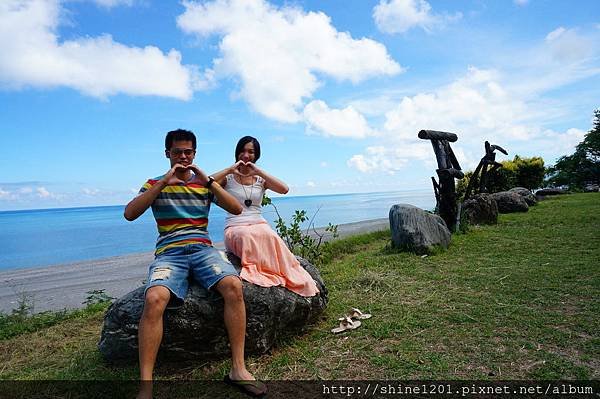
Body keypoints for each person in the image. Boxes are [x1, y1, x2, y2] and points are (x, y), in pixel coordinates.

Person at [124, 129, 267, 399]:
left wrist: (209, 181)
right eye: (177, 152)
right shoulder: (154, 182)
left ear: (195, 154)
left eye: (188, 152)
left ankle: (238, 368)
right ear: (167, 153)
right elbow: (130, 213)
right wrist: (164, 181)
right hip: (170, 253)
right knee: (154, 297)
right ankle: (146, 386)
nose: (183, 157)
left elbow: (236, 208)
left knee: (233, 286)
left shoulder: (204, 184)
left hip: (203, 250)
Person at [212, 136, 319, 297]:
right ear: (237, 153)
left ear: (256, 155)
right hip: (235, 226)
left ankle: (279, 272)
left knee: (270, 236)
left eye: (251, 152)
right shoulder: (228, 178)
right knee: (245, 236)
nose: (246, 155)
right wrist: (229, 169)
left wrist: (258, 171)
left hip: (258, 223)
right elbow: (202, 184)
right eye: (242, 151)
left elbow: (284, 189)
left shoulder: (260, 179)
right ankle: (258, 270)